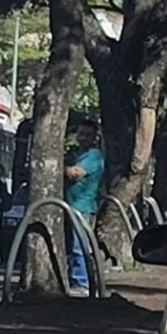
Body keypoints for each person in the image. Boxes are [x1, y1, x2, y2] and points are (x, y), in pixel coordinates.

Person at [64, 119, 105, 297]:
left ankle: (82, 282)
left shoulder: (94, 155)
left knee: (79, 246)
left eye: (87, 135)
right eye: (81, 134)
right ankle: (75, 278)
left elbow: (75, 174)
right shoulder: (75, 153)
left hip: (82, 207)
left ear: (94, 137)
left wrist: (60, 168)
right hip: (69, 204)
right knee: (70, 246)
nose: (83, 138)